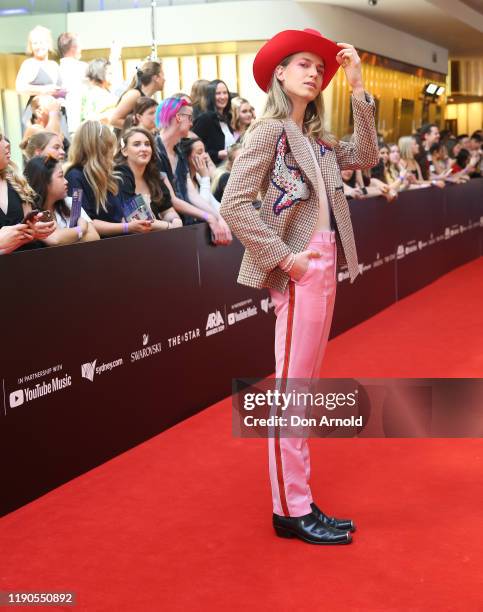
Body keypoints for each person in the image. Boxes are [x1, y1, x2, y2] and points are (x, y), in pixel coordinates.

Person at [220, 28, 379, 545]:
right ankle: (290, 509)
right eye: (303, 64)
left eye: (320, 67)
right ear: (279, 74)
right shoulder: (268, 131)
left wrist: (357, 87)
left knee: (303, 391)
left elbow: (368, 155)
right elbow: (233, 205)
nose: (314, 72)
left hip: (325, 266)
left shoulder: (315, 139)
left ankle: (299, 499)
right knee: (293, 392)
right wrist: (288, 262)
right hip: (301, 270)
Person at [155, 96, 232, 244]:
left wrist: (217, 217)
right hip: (168, 230)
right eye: (190, 118)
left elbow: (191, 193)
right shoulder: (155, 151)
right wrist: (209, 217)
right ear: (178, 117)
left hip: (188, 225)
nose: (191, 124)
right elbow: (172, 200)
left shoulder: (178, 152)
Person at [65, 121, 135, 237]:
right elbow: (81, 221)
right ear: (100, 148)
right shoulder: (74, 177)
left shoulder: (109, 175)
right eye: (109, 146)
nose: (112, 151)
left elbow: (119, 215)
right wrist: (126, 227)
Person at [115, 127, 182, 230]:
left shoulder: (154, 177)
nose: (144, 148)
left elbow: (167, 210)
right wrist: (168, 226)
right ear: (124, 151)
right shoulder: (119, 177)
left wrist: (175, 219)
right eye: (137, 144)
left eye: (147, 144)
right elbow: (140, 221)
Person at [24, 156, 99, 245]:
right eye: (61, 176)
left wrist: (67, 237)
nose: (66, 181)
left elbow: (95, 236)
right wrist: (81, 229)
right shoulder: (32, 212)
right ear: (45, 182)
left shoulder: (70, 202)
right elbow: (56, 239)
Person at [0, 131, 55, 253]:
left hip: (29, 264)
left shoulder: (17, 182)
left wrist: (37, 230)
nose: (6, 144)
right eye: (0, 139)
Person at [15, 25, 64, 130]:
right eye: (34, 43)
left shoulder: (54, 65)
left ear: (48, 44)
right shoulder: (29, 64)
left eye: (41, 42)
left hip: (56, 114)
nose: (38, 46)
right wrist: (44, 90)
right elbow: (20, 87)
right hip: (37, 117)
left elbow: (61, 89)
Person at [110, 61, 164, 130]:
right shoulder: (134, 95)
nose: (164, 79)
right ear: (156, 78)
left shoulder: (146, 97)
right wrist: (142, 129)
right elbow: (113, 120)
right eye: (163, 75)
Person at [192, 79, 235, 165]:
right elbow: (193, 148)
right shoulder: (205, 119)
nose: (222, 97)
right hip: (212, 171)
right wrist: (217, 154)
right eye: (218, 93)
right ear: (211, 96)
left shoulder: (227, 118)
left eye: (225, 92)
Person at [180, 137, 221, 214]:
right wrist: (205, 177)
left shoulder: (197, 177)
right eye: (199, 153)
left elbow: (215, 205)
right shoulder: (183, 180)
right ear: (186, 157)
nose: (205, 156)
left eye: (205, 152)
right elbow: (204, 209)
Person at [57, 32, 88, 134]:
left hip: (62, 127)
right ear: (74, 47)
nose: (81, 49)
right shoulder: (84, 68)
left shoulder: (56, 69)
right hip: (81, 126)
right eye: (79, 46)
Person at [80, 59, 117, 124]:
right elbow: (89, 119)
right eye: (110, 73)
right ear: (100, 74)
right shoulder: (91, 94)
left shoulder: (106, 91)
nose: (113, 76)